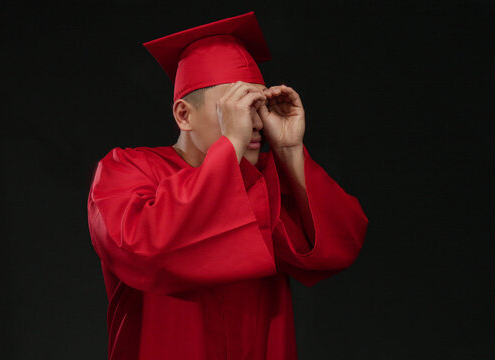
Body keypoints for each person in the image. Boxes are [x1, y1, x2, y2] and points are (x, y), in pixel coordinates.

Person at [86, 11, 369, 360]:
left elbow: (338, 247)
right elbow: (147, 248)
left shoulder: (266, 177)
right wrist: (230, 147)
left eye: (258, 106)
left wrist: (290, 150)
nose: (253, 123)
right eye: (236, 108)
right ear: (183, 115)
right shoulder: (126, 170)